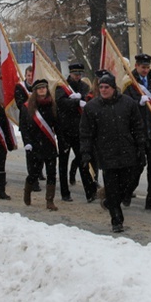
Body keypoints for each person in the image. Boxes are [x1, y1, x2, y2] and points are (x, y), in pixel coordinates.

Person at [80, 72, 146, 233]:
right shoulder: (92, 107)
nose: (103, 90)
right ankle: (116, 220)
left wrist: (141, 146)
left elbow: (137, 127)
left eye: (106, 87)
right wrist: (86, 152)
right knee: (112, 187)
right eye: (101, 87)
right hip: (106, 153)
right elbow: (86, 133)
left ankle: (111, 201)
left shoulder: (128, 103)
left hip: (127, 151)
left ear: (113, 88)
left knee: (128, 184)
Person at [123, 53, 151, 211]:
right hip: (138, 131)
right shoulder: (129, 82)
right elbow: (124, 104)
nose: (145, 70)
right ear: (136, 66)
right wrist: (137, 103)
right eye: (143, 67)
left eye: (147, 67)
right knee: (138, 165)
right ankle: (127, 192)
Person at [55, 63, 97, 203]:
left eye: (80, 74)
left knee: (83, 160)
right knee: (63, 163)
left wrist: (80, 99)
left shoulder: (84, 86)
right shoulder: (62, 86)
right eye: (75, 74)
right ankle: (64, 192)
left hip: (79, 129)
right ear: (71, 73)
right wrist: (75, 102)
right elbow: (60, 103)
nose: (78, 76)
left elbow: (87, 99)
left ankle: (90, 192)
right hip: (64, 130)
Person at [20, 78, 60, 210]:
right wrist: (27, 143)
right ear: (35, 91)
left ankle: (50, 200)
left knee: (51, 173)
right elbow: (24, 127)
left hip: (49, 144)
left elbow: (57, 124)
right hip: (34, 144)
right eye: (39, 88)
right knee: (34, 173)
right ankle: (27, 190)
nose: (42, 90)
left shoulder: (52, 104)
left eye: (44, 88)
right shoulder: (27, 107)